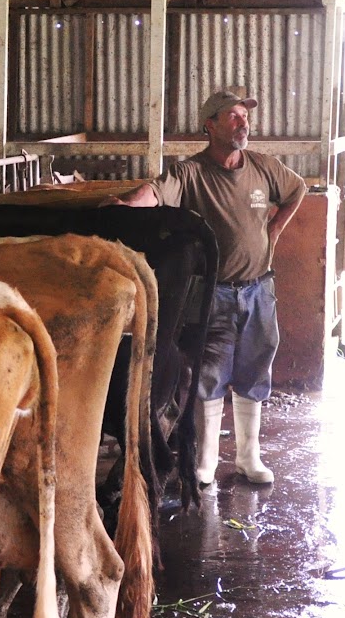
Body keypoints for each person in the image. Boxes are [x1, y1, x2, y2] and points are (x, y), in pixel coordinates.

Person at [114, 86, 307, 487]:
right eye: (234, 116)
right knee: (208, 374)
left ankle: (248, 457)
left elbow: (297, 190)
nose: (243, 123)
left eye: (245, 115)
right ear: (210, 125)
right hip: (212, 291)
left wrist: (274, 230)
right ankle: (205, 461)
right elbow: (155, 192)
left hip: (258, 288)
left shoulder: (262, 166)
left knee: (255, 369)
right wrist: (124, 206)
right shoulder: (191, 172)